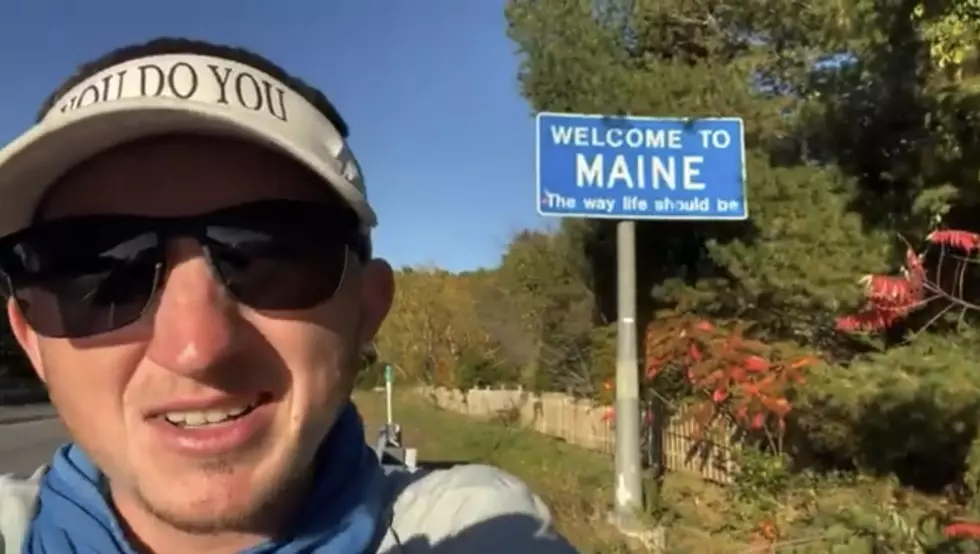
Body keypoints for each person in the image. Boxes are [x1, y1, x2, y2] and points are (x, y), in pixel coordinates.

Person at [0, 37, 577, 554]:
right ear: (30, 337)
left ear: (367, 310)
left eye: (274, 256)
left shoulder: (473, 530)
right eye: (98, 271)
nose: (197, 348)